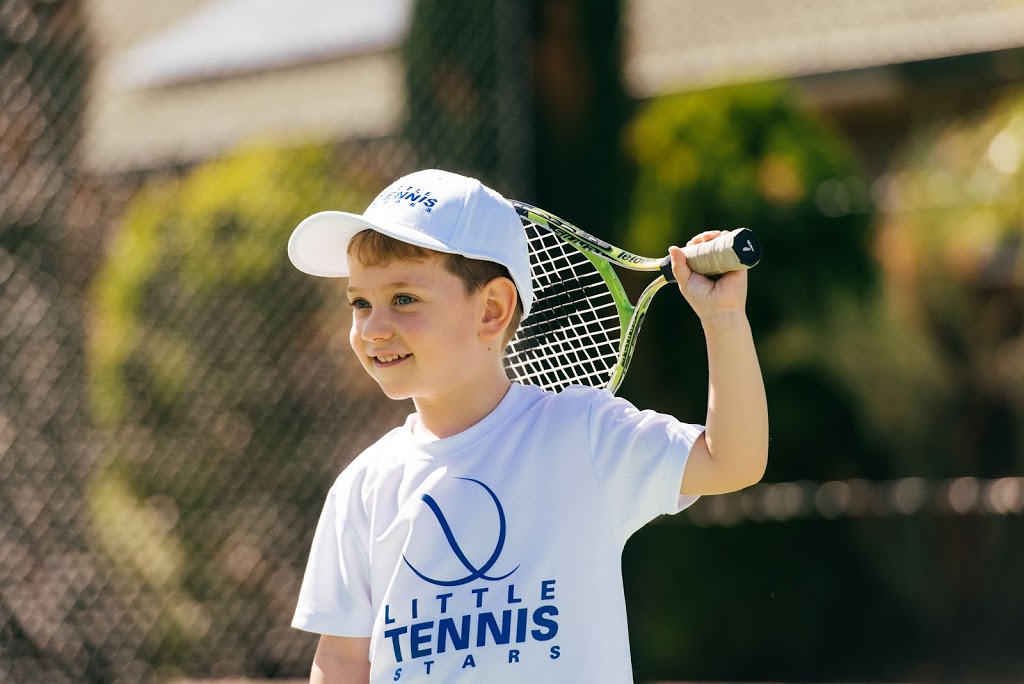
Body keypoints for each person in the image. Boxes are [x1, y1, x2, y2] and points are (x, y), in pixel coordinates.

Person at [287, 168, 768, 683]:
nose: (373, 328)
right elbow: (341, 659)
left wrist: (722, 320)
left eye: (404, 299)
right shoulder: (362, 487)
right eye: (360, 302)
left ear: (492, 310)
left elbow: (732, 461)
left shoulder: (582, 434)